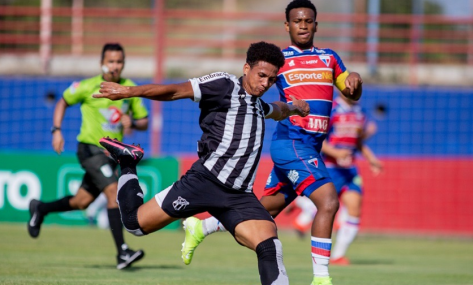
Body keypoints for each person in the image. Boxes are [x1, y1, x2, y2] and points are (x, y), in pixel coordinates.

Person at [94, 41, 310, 285]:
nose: (265, 84)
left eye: (271, 80)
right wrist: (128, 91)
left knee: (270, 246)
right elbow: (175, 90)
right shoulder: (224, 85)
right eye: (261, 76)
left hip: (240, 195)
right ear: (246, 67)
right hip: (204, 182)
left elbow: (278, 110)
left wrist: (294, 108)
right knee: (133, 224)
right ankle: (127, 162)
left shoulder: (258, 105)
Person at [181, 1, 363, 284]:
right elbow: (252, 84)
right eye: (297, 21)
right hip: (290, 143)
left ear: (316, 24)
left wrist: (355, 79)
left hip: (310, 148)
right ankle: (322, 278)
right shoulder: (281, 59)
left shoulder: (330, 58)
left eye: (308, 20)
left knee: (266, 210)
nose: (303, 25)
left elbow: (351, 93)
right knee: (328, 201)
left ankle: (202, 227)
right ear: (287, 25)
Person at [27, 43, 149, 270]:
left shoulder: (129, 88)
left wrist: (131, 122)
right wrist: (56, 131)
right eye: (111, 61)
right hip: (90, 150)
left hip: (111, 155)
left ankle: (40, 209)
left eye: (119, 62)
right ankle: (122, 253)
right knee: (114, 193)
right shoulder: (88, 86)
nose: (115, 66)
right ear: (102, 62)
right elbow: (63, 101)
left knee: (81, 202)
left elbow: (144, 121)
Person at [291, 93, 383, 265]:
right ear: (342, 90)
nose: (356, 92)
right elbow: (318, 139)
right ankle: (300, 202)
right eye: (351, 88)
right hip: (330, 167)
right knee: (325, 206)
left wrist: (371, 159)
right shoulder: (331, 110)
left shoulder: (360, 113)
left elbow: (358, 142)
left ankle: (338, 255)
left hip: (350, 170)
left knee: (355, 208)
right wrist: (336, 153)